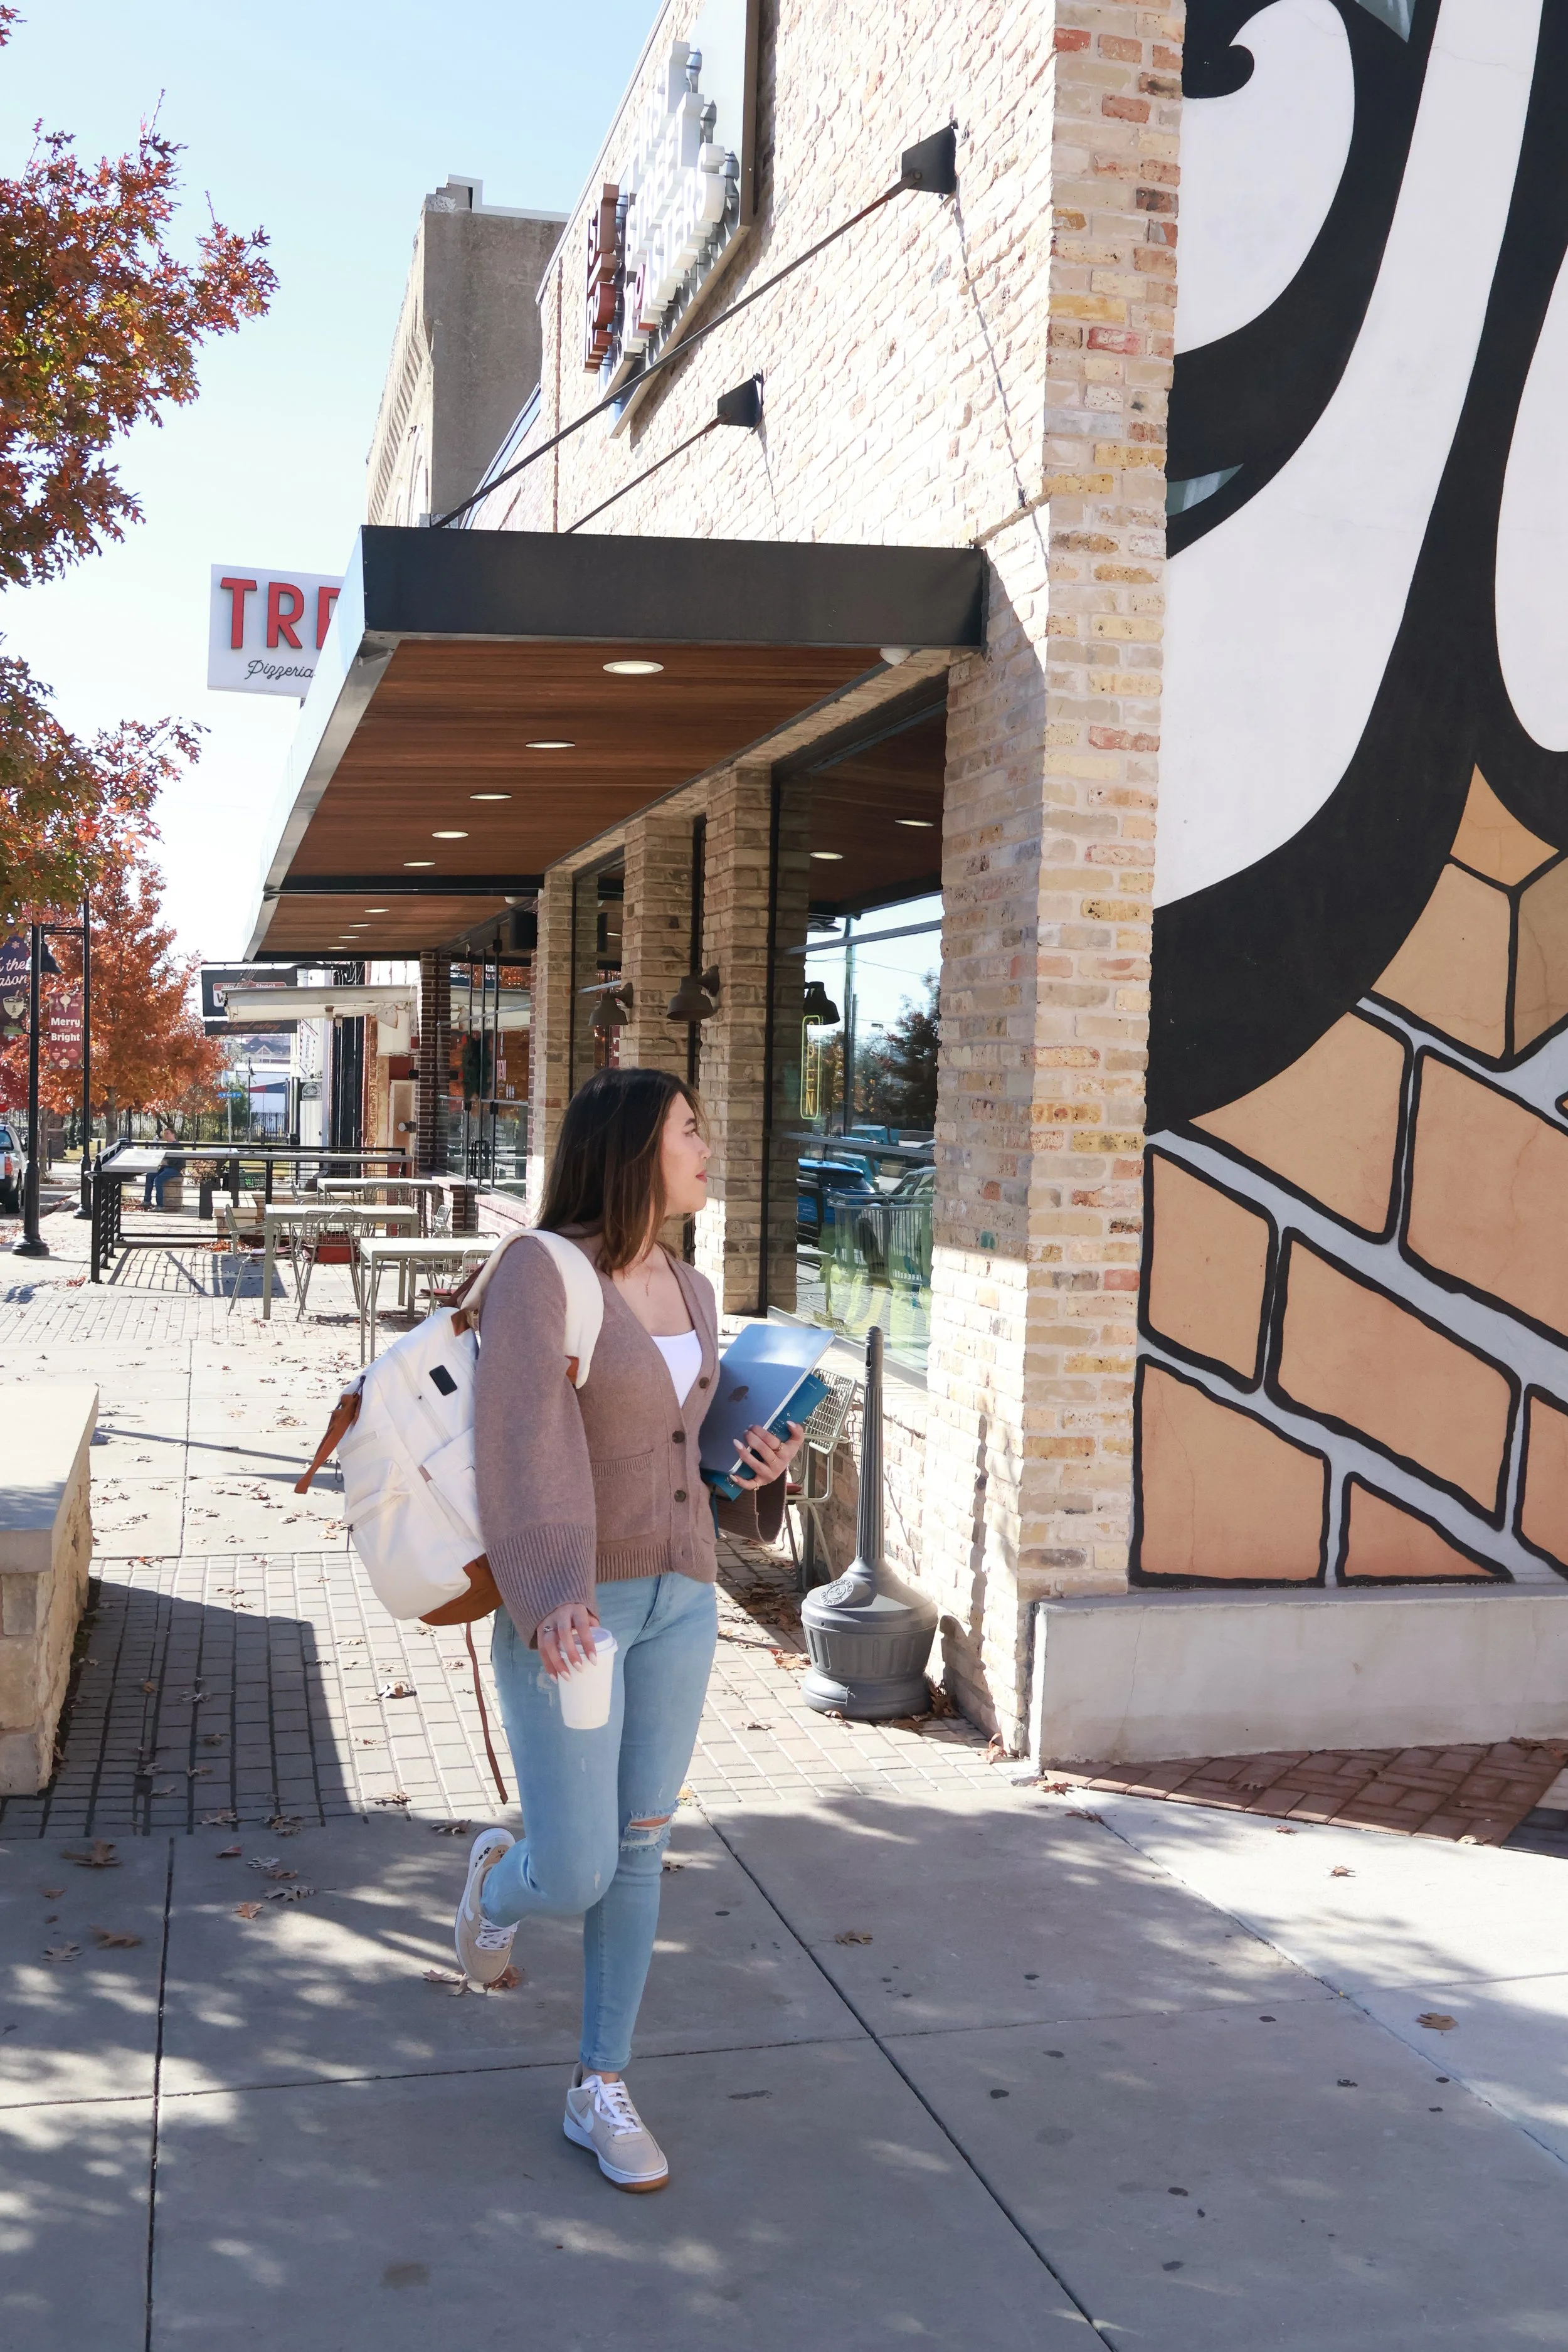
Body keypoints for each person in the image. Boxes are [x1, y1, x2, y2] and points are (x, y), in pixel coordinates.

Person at [460, 1067, 803, 2193]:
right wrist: (552, 1587)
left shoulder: (696, 1291)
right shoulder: (540, 1275)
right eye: (691, 1131)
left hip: (683, 1596)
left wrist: (754, 1475)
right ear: (631, 1149)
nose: (711, 1149)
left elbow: (684, 1458)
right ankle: (495, 1886)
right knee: (574, 1867)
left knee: (643, 1845)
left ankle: (598, 2084)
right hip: (574, 1604)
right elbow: (520, 1442)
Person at [142, 1121, 179, 1209]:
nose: (166, 1135)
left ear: (173, 1134)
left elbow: (177, 1161)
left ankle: (160, 1205)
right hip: (164, 1168)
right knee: (150, 1175)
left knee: (158, 1180)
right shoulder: (166, 1145)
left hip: (174, 1169)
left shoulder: (177, 1145)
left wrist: (166, 1162)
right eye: (165, 1134)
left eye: (168, 1133)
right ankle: (147, 1201)